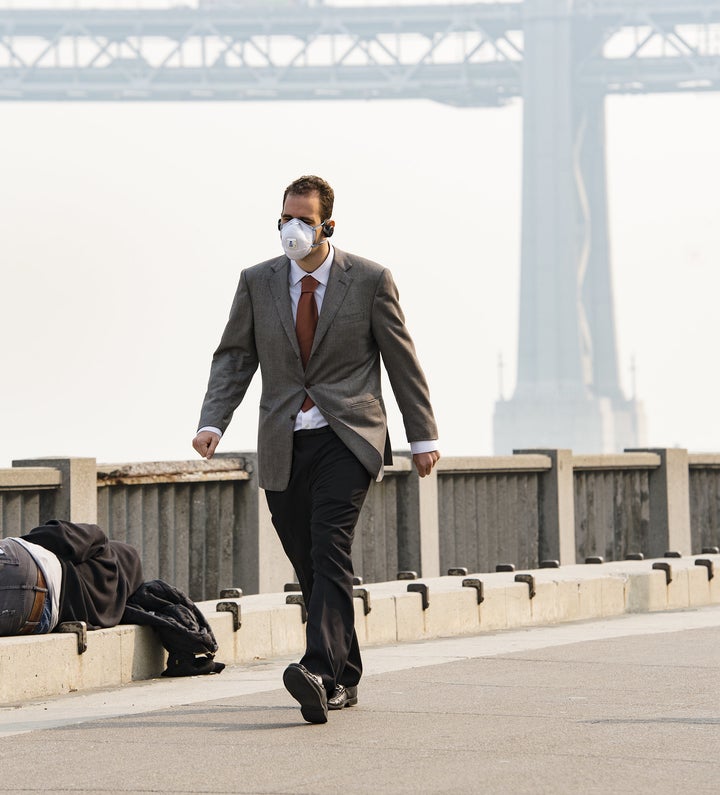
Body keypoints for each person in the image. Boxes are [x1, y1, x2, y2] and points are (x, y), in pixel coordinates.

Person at [193, 175, 439, 723]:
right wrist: (214, 422)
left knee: (329, 546)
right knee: (310, 562)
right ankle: (343, 675)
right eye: (286, 219)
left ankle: (317, 669)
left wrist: (423, 436)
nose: (293, 229)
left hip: (349, 435)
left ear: (328, 224)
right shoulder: (257, 282)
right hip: (282, 440)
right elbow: (234, 358)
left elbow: (402, 360)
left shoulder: (370, 280)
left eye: (304, 219)